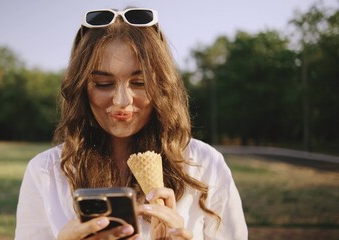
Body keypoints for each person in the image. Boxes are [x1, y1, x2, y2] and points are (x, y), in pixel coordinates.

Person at [15, 7, 248, 240]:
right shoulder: (46, 172)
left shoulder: (204, 165)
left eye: (139, 82)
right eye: (103, 83)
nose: (122, 101)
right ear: (81, 88)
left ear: (162, 85)